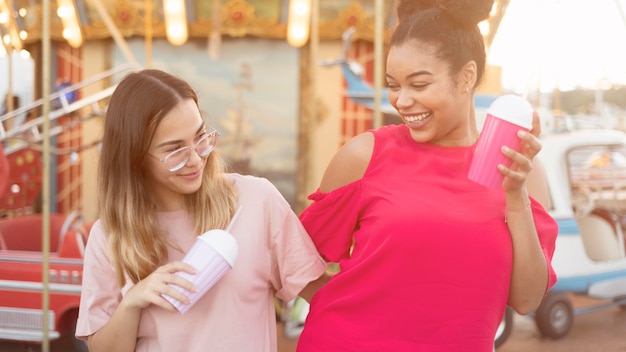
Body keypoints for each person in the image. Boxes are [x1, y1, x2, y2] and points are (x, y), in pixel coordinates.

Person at [296, 0, 558, 351]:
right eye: (393, 85)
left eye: (418, 85)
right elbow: (296, 257)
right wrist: (351, 313)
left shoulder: (519, 168)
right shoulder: (366, 155)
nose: (401, 101)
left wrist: (515, 196)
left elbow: (527, 300)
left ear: (465, 77)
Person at [75, 69, 326, 352]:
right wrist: (133, 299)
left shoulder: (257, 201)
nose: (195, 159)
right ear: (134, 157)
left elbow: (326, 297)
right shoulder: (109, 236)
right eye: (175, 150)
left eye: (200, 137)